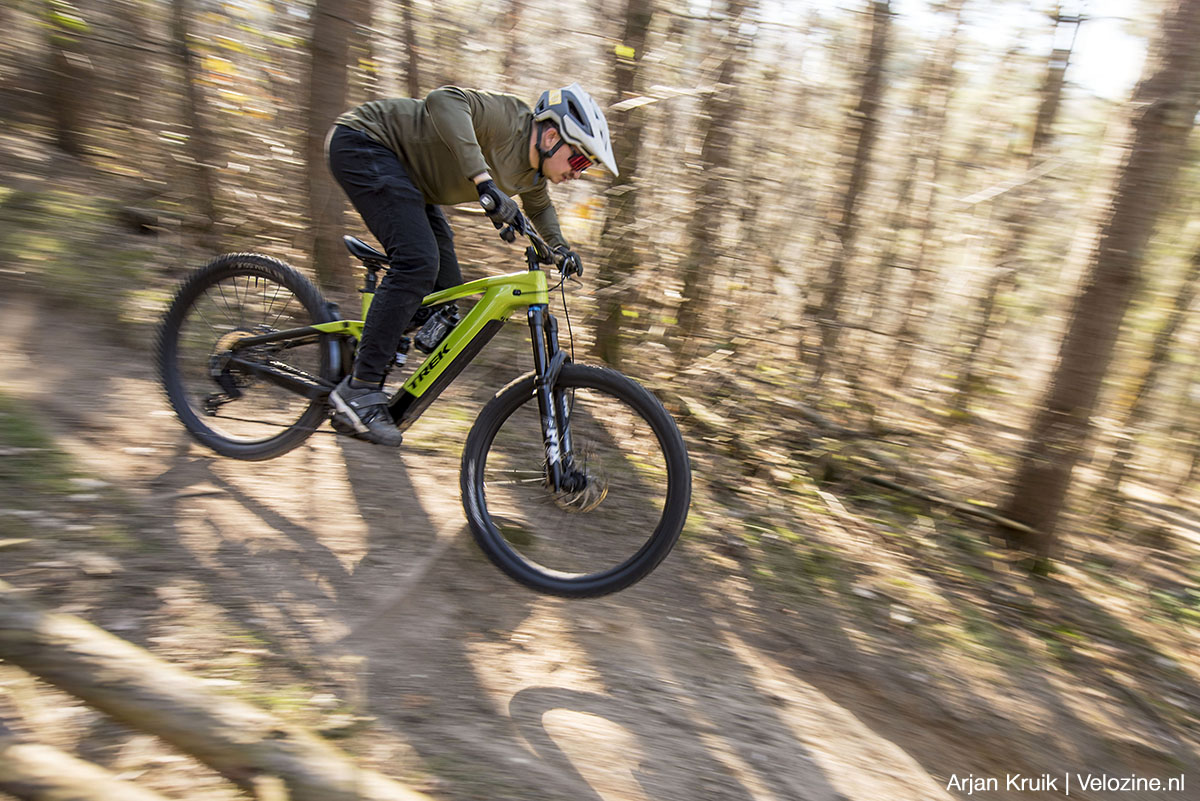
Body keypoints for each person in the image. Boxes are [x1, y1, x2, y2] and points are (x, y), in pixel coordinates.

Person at [324, 82, 618, 446]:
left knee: (446, 293)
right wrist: (484, 182)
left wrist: (560, 250)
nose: (579, 173)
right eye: (579, 160)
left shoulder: (532, 176)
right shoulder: (509, 119)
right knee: (417, 262)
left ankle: (382, 337)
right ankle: (360, 388)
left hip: (410, 180)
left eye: (586, 167)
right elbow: (443, 100)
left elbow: (539, 208)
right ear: (551, 137)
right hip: (366, 142)